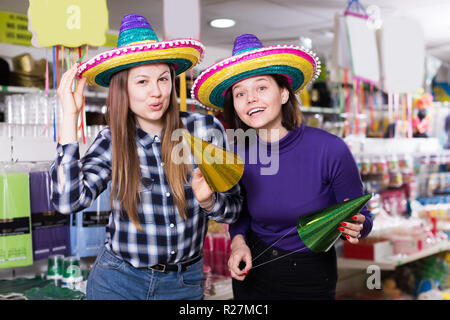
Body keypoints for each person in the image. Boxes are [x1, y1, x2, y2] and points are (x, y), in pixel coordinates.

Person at [50, 14, 242, 300]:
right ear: (123, 89)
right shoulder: (112, 142)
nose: (157, 92)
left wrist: (209, 201)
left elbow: (234, 209)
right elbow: (67, 201)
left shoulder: (204, 129)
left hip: (184, 284)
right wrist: (69, 117)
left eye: (163, 79)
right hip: (118, 282)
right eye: (142, 82)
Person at [192, 34, 373, 300]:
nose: (250, 98)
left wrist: (358, 225)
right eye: (240, 93)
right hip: (253, 269)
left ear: (284, 93)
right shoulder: (235, 152)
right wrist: (238, 243)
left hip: (310, 274)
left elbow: (361, 215)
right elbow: (240, 212)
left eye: (261, 88)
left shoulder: (330, 149)